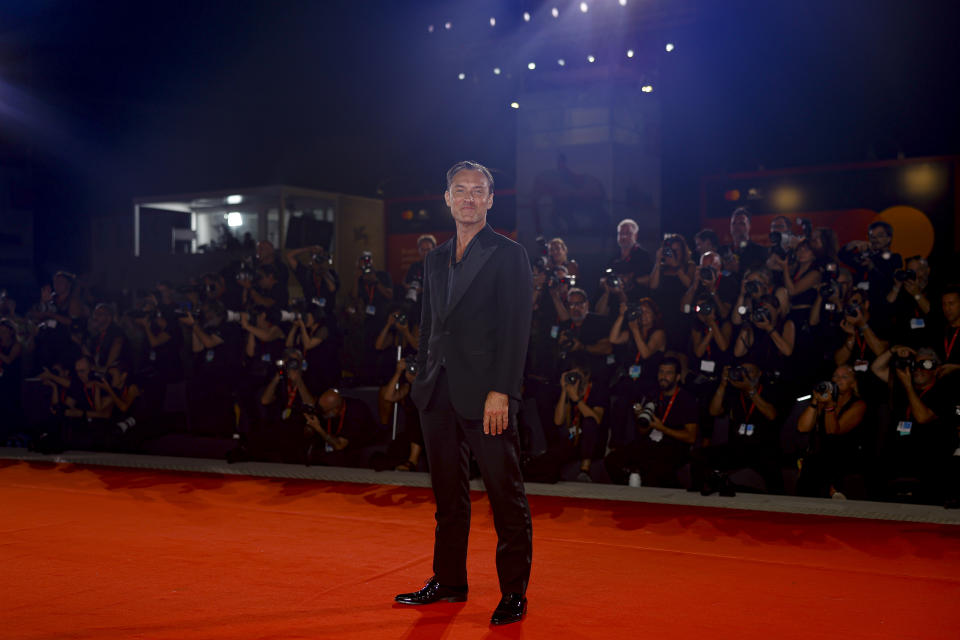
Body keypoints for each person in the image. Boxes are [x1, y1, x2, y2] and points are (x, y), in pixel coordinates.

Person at [394, 161, 533, 626]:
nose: (469, 198)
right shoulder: (434, 258)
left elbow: (516, 331)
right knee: (446, 497)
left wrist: (502, 392)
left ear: (491, 200)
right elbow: (430, 326)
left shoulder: (509, 255)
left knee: (504, 495)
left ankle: (513, 592)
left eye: (479, 191)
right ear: (447, 198)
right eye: (460, 190)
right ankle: (449, 581)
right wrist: (421, 377)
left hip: (486, 395)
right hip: (436, 393)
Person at [603, 357, 699, 487]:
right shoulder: (653, 395)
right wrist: (640, 417)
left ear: (677, 377)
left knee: (652, 466)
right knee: (612, 460)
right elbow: (643, 431)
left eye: (668, 373)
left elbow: (691, 437)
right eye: (661, 372)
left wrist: (663, 428)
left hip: (674, 447)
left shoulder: (686, 399)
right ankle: (631, 492)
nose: (663, 376)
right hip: (650, 444)